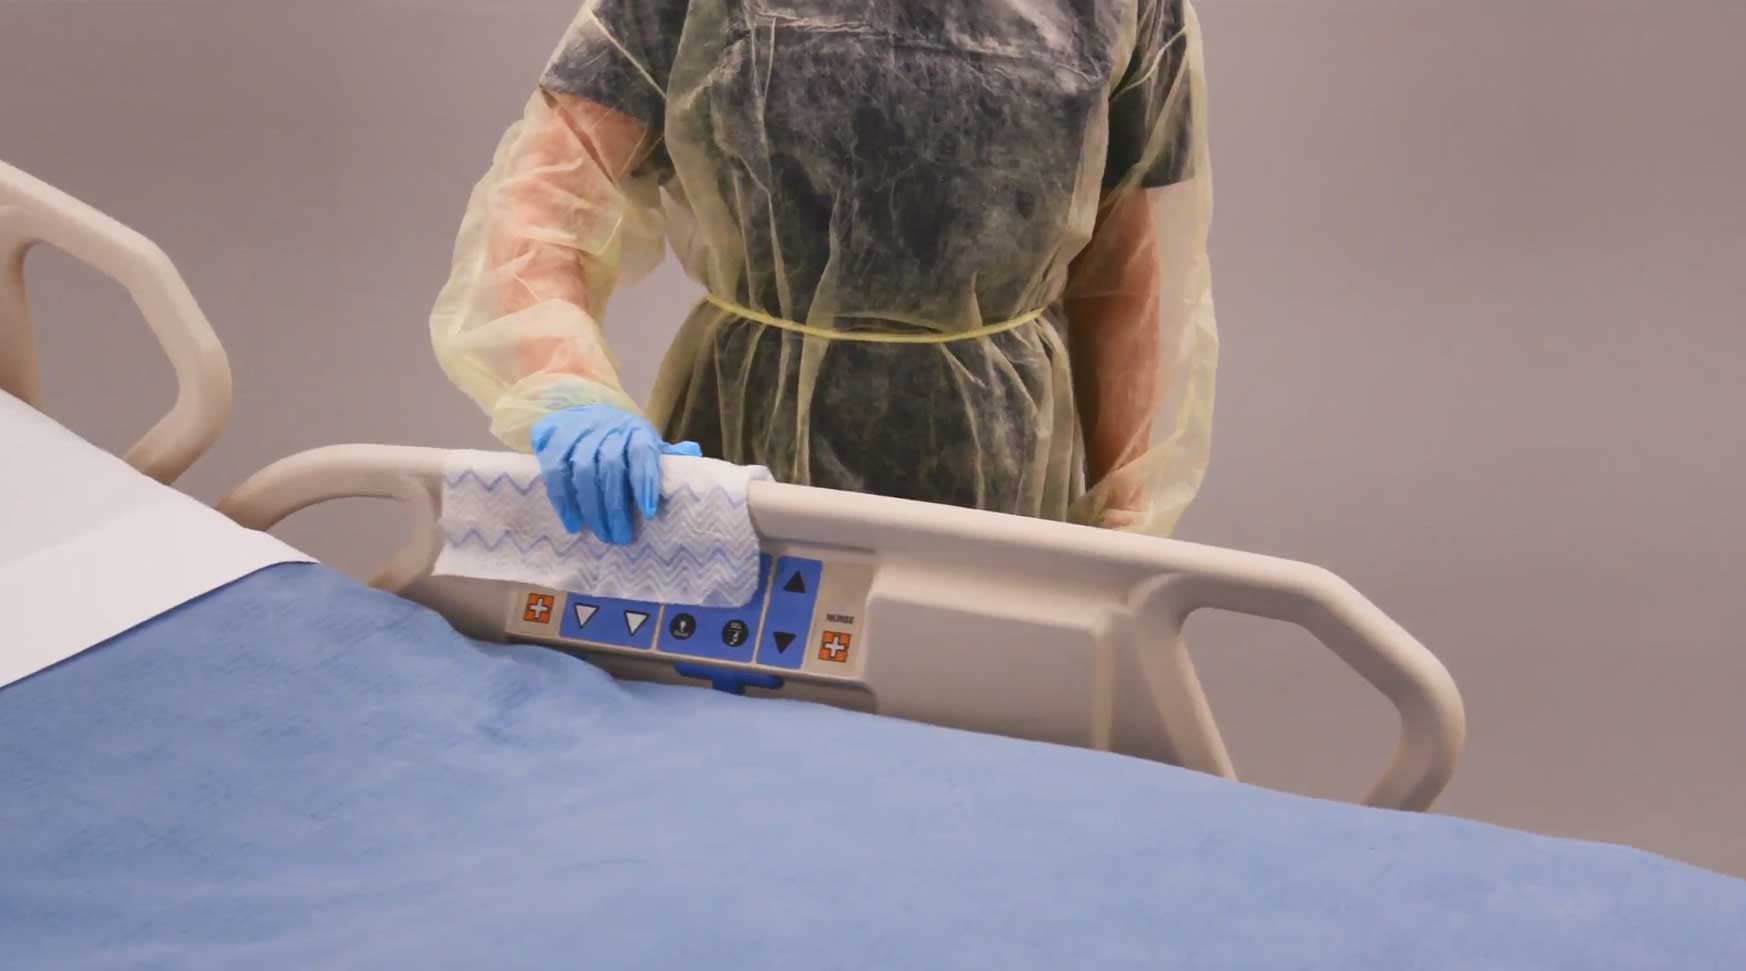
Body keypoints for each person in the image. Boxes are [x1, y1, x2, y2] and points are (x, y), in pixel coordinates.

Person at [431, 0, 1217, 545]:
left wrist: (1122, 522)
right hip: (743, 447)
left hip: (1001, 480)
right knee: (724, 748)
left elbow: (1122, 283)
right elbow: (543, 202)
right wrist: (575, 397)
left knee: (965, 745)